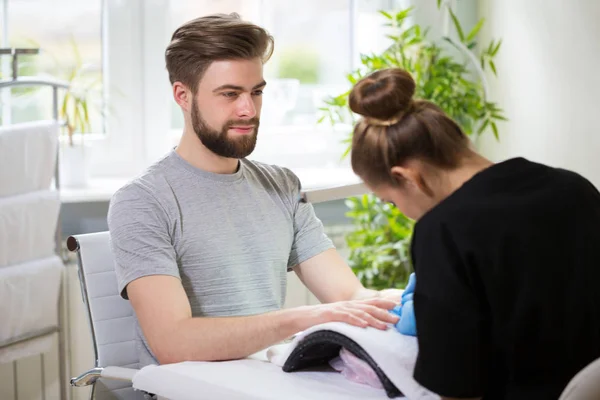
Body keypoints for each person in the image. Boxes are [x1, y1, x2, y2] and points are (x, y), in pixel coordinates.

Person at [107, 13, 403, 368]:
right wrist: (304, 319)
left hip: (267, 381)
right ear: (182, 96)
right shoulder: (143, 201)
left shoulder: (280, 185)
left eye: (256, 92)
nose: (248, 110)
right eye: (230, 94)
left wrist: (410, 301)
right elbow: (174, 343)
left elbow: (349, 296)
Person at [347, 67, 600, 400]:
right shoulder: (573, 187)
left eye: (391, 202)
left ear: (408, 178)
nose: (401, 212)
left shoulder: (442, 231)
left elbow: (456, 389)